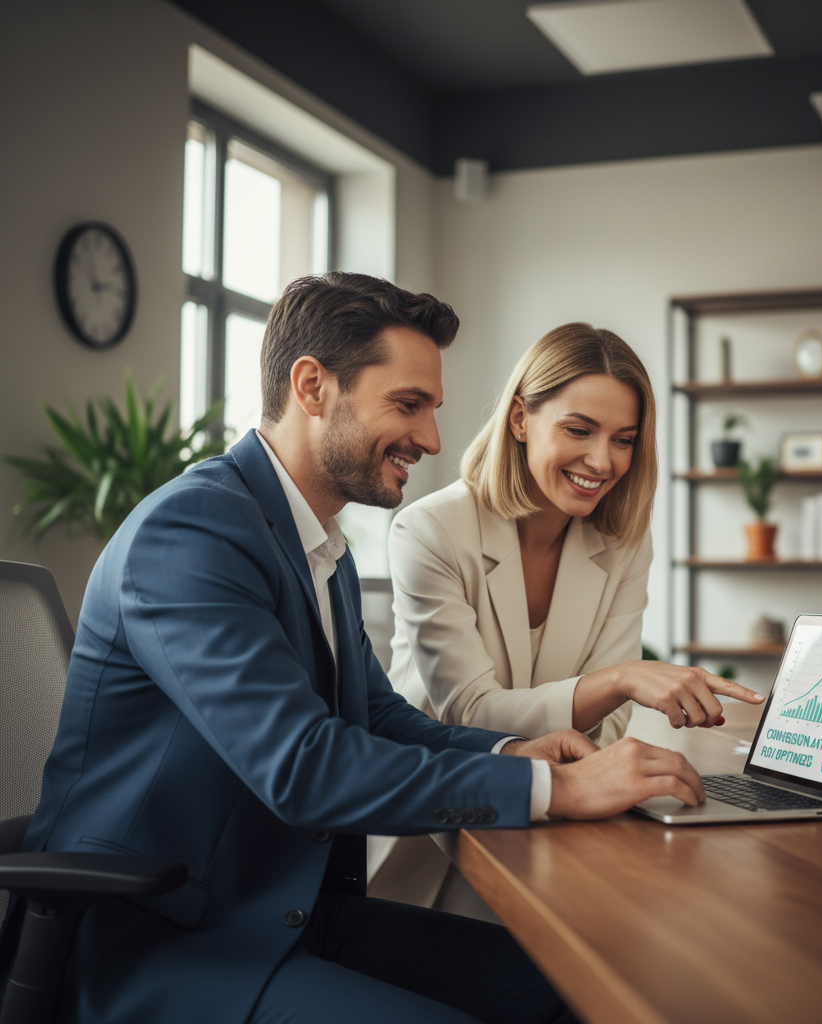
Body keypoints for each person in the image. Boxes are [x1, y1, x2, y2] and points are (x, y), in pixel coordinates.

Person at [10, 275, 710, 1024]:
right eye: (409, 405)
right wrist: (557, 792)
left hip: (286, 914)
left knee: (579, 993)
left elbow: (375, 715)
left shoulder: (319, 543)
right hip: (159, 940)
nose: (433, 440)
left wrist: (515, 755)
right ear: (312, 386)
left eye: (433, 410)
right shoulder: (191, 532)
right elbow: (303, 765)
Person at [378, 323, 764, 912]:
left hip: (564, 821)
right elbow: (472, 714)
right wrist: (620, 680)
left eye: (624, 439)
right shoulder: (431, 531)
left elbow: (607, 735)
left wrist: (612, 710)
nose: (603, 460)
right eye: (579, 430)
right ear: (519, 420)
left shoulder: (623, 542)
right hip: (440, 833)